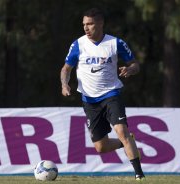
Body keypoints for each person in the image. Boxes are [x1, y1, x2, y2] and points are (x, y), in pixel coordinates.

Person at [60, 8, 145, 180]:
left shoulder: (115, 43)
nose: (86, 28)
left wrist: (130, 69)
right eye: (84, 24)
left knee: (121, 130)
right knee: (101, 147)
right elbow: (66, 69)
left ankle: (139, 175)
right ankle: (127, 142)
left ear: (100, 24)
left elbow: (135, 64)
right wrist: (64, 84)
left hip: (111, 95)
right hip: (89, 101)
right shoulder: (78, 44)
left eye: (90, 24)